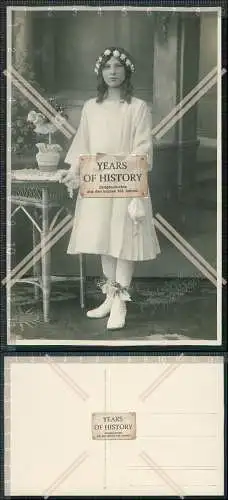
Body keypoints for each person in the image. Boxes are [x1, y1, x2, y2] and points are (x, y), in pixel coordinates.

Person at [60, 47, 160, 330]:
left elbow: (142, 147)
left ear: (126, 71)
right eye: (107, 66)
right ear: (100, 73)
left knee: (124, 240)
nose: (112, 71)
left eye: (118, 66)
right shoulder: (92, 107)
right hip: (98, 182)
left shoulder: (138, 107)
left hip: (127, 182)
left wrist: (121, 168)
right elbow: (83, 142)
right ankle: (109, 297)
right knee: (104, 239)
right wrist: (74, 171)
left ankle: (120, 305)